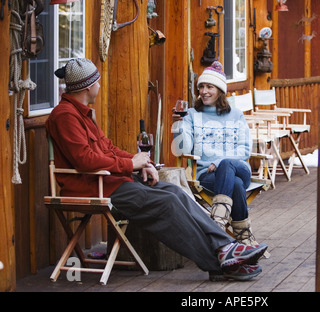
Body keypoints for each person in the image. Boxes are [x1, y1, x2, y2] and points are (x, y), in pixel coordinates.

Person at [45, 58, 268, 281]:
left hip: (110, 182)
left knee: (175, 191)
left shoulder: (84, 114)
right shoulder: (65, 116)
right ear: (87, 86)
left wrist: (141, 161)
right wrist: (130, 164)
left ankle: (226, 247)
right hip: (95, 188)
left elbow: (107, 149)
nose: (99, 86)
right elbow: (85, 160)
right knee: (167, 203)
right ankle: (220, 265)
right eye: (98, 82)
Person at [172, 61, 265, 251]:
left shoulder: (236, 115)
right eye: (201, 87)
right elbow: (184, 149)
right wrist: (179, 125)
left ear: (220, 90)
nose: (204, 91)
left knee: (228, 166)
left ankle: (217, 226)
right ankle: (243, 239)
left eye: (209, 87)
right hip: (208, 176)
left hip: (239, 169)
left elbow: (244, 149)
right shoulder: (191, 114)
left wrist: (220, 161)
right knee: (236, 185)